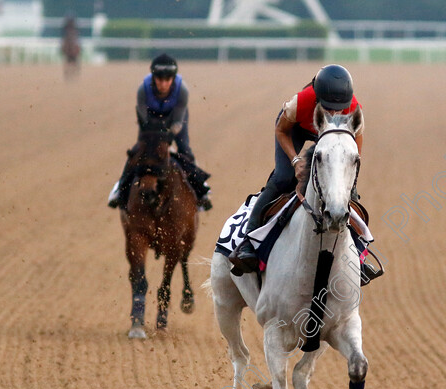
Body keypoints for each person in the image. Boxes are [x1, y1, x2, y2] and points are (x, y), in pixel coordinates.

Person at [228, 64, 364, 275]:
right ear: (317, 99)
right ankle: (248, 241)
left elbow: (355, 149)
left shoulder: (354, 109)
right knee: (283, 179)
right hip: (295, 131)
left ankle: (360, 254)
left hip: (334, 136)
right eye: (328, 107)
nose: (334, 113)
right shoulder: (300, 102)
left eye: (339, 109)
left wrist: (351, 179)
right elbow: (281, 130)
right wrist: (295, 160)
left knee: (350, 192)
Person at [108, 53, 212, 211]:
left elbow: (178, 121)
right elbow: (143, 119)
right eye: (159, 79)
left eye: (167, 80)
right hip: (149, 123)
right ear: (153, 77)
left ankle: (201, 190)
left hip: (174, 120)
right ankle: (120, 189)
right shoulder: (142, 90)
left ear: (173, 78)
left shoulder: (182, 90)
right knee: (139, 151)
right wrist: (153, 137)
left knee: (184, 150)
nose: (163, 84)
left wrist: (168, 138)